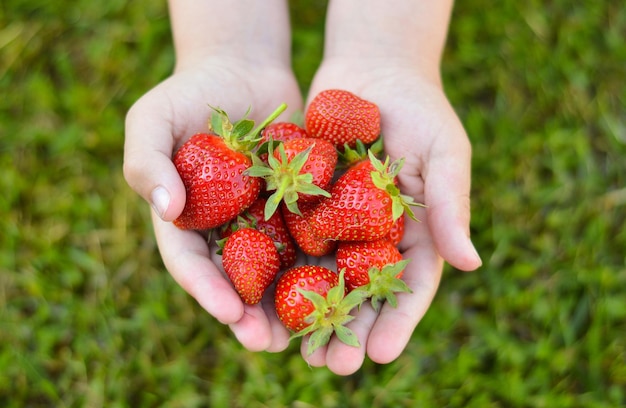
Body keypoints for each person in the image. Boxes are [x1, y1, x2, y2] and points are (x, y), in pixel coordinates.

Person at [123, 0, 482, 376]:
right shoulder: (267, 177)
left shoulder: (308, 183)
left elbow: (324, 214)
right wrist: (225, 53)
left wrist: (392, 58)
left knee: (324, 218)